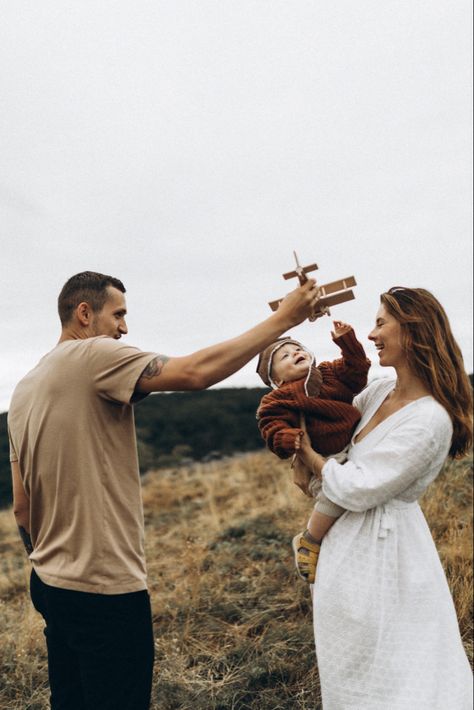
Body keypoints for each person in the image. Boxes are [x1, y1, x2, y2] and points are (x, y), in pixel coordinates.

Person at [8, 269, 319, 710]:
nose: (124, 329)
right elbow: (194, 373)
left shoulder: (23, 392)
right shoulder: (92, 354)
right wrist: (283, 320)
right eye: (118, 315)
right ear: (84, 313)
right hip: (105, 590)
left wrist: (47, 563)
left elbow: (22, 508)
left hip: (49, 583)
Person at [293, 287, 473, 709]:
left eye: (379, 323)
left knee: (397, 671)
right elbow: (337, 444)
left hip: (387, 555)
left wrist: (313, 459)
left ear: (411, 331)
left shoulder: (431, 419)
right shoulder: (376, 394)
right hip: (341, 548)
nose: (371, 334)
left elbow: (358, 486)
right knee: (350, 667)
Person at [255, 321, 371, 583]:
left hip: (355, 446)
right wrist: (286, 439)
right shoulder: (277, 399)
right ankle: (310, 540)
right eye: (285, 356)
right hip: (323, 458)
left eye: (298, 349)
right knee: (335, 496)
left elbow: (357, 372)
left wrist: (347, 341)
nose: (295, 353)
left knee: (358, 498)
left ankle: (345, 546)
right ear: (277, 379)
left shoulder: (329, 372)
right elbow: (271, 425)